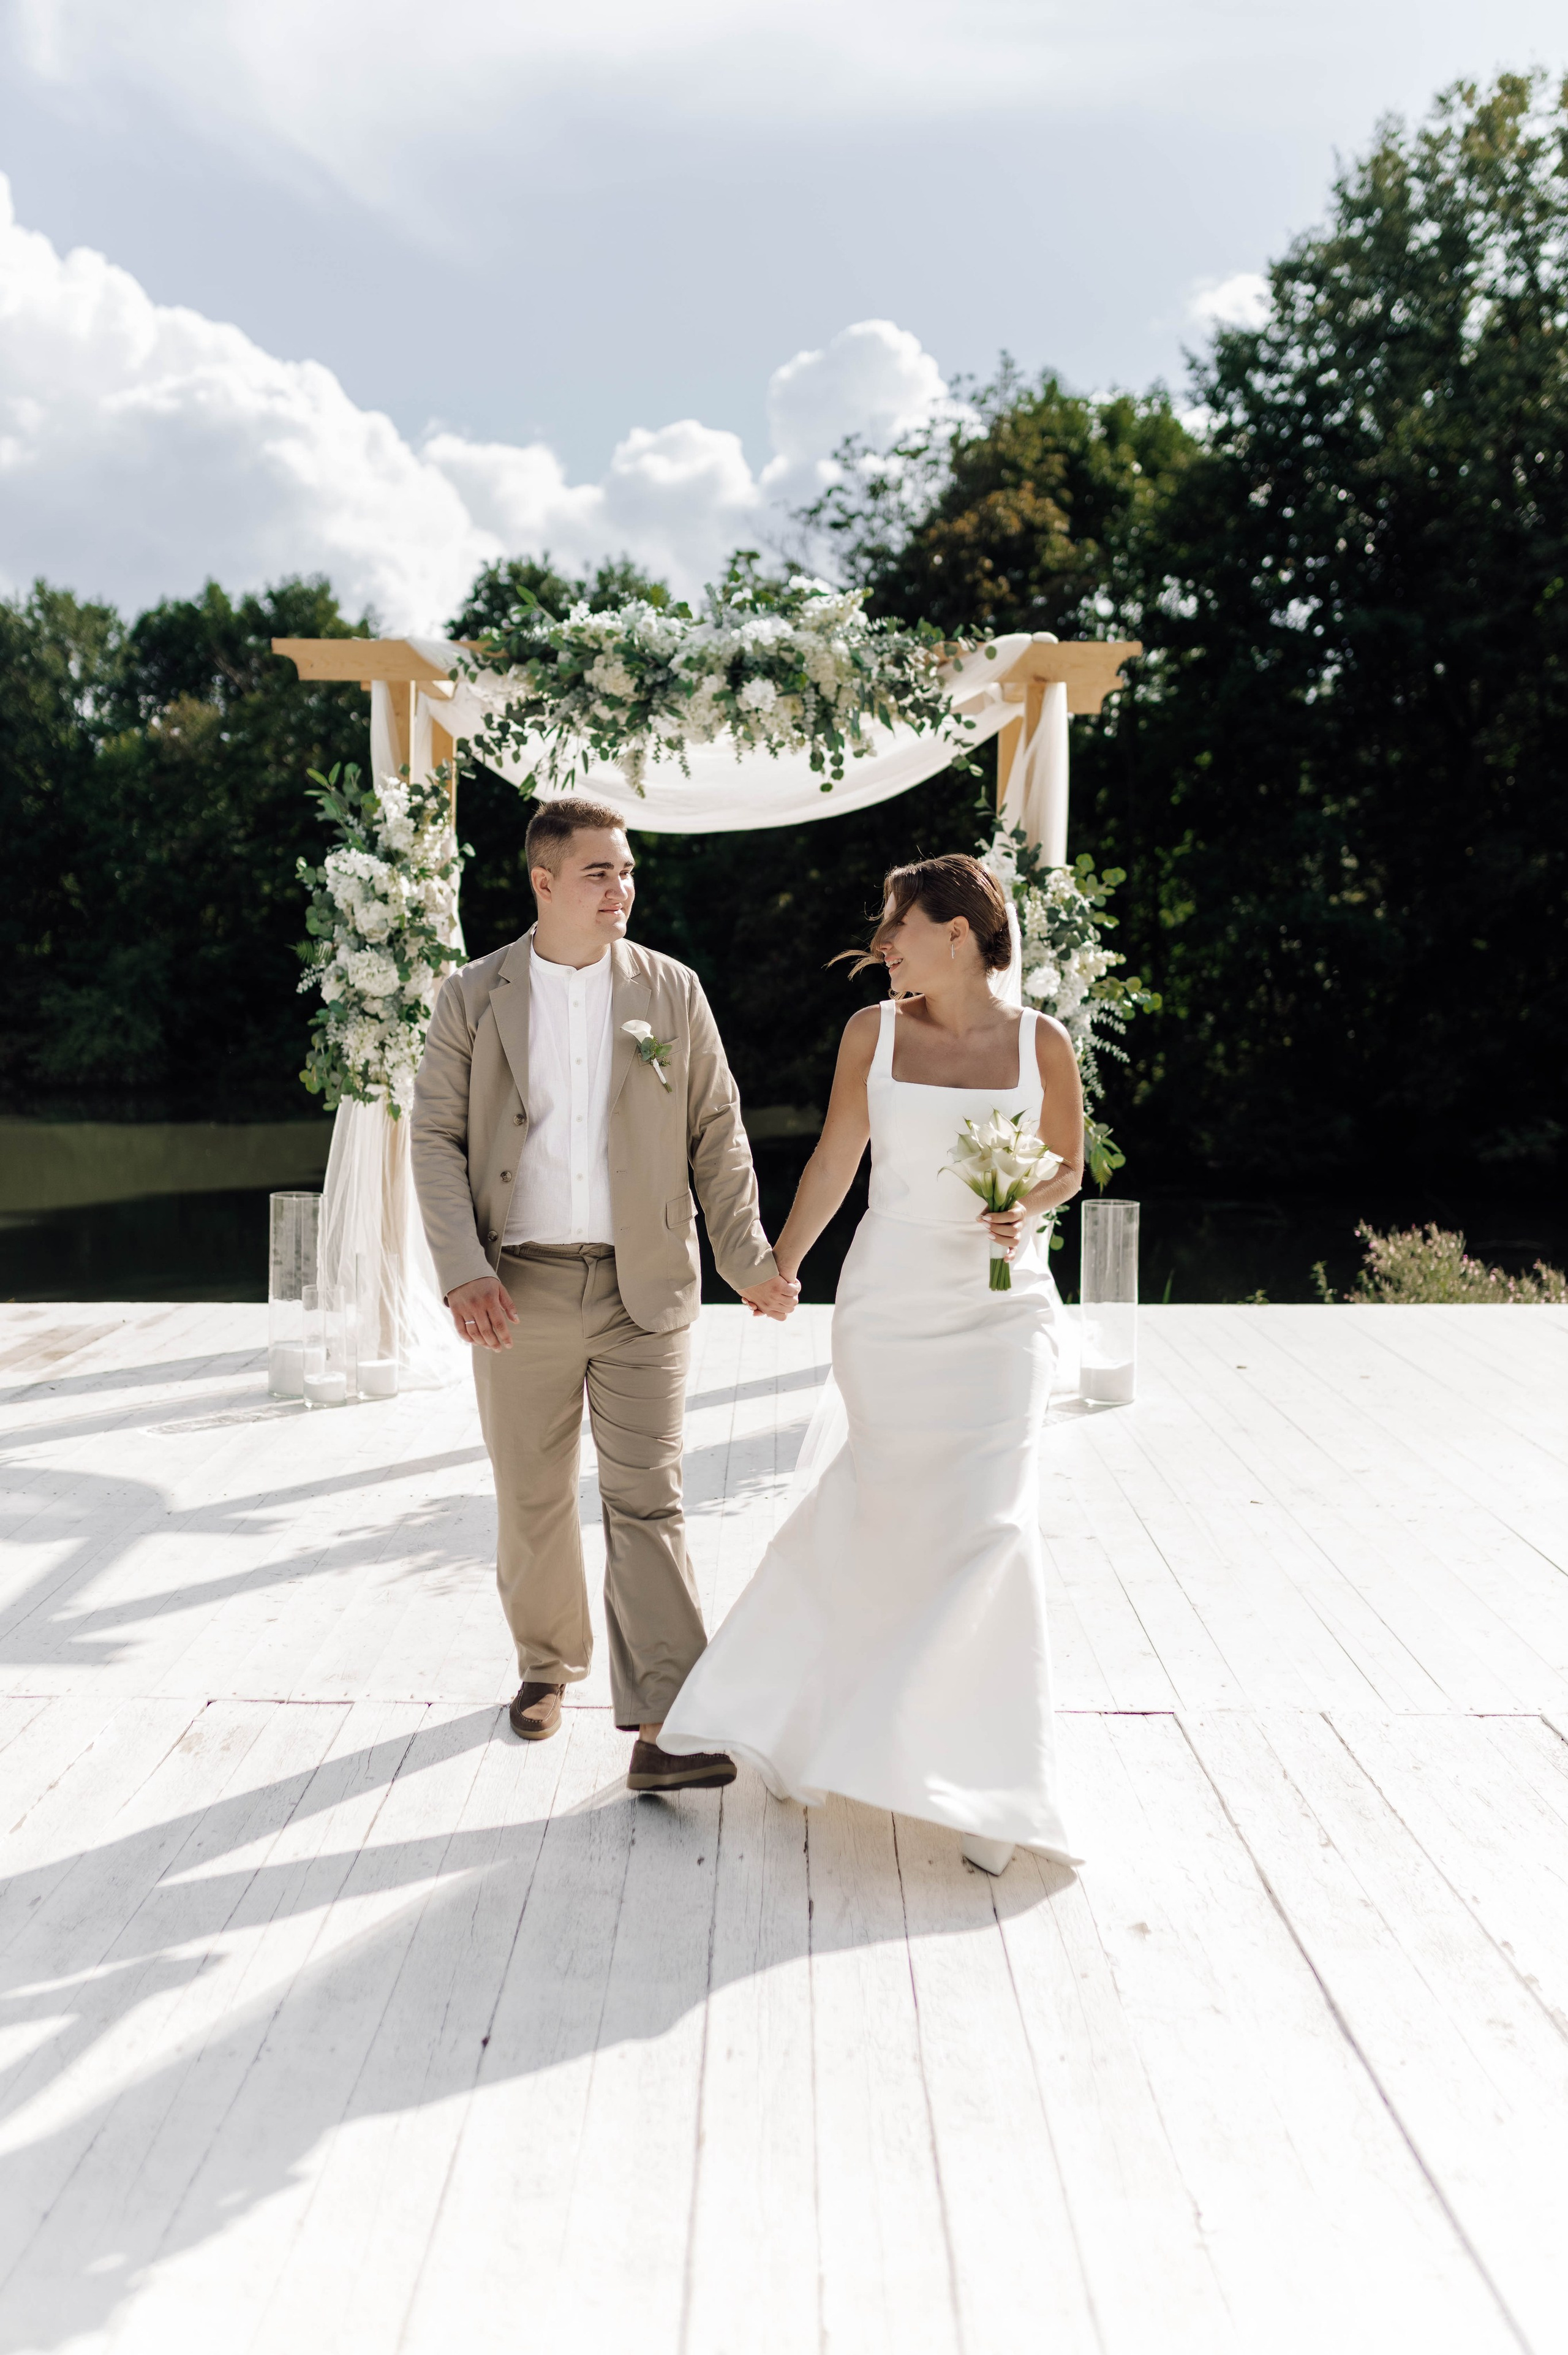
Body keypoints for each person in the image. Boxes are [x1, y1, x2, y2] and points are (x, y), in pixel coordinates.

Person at [660, 853, 1084, 1873]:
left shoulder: (1043, 1042)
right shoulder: (873, 1033)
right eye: (884, 923)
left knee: (990, 1523)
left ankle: (986, 1787)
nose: (883, 941)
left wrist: (1025, 1204)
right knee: (889, 1512)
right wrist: (778, 1266)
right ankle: (811, 1716)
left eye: (901, 923)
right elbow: (836, 1158)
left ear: (963, 933)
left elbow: (1067, 1161)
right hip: (889, 1306)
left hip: (1001, 1312)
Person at [410, 795, 799, 1794]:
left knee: (648, 1500)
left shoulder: (672, 991)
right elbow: (437, 1142)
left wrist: (747, 1255)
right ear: (544, 883)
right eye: (600, 873)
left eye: (627, 872)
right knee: (532, 1494)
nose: (621, 889)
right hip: (518, 1283)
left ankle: (668, 1722)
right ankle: (546, 1666)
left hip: (647, 1286)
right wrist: (462, 1270)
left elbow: (718, 1129)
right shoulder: (472, 996)